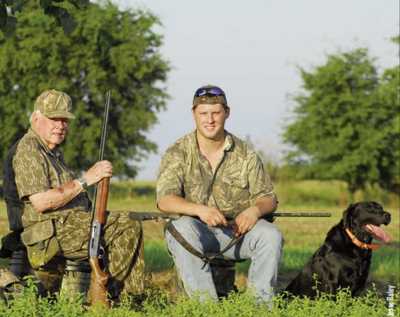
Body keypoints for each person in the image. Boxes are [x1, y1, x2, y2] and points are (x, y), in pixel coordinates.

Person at [2, 89, 144, 300]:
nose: (60, 125)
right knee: (126, 225)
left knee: (125, 221)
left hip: (65, 225)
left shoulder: (52, 152)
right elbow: (41, 201)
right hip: (48, 230)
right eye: (54, 119)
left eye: (64, 120)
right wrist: (86, 179)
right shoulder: (28, 150)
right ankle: (123, 303)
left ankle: (116, 298)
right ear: (35, 119)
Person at [156, 84, 284, 304]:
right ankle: (208, 311)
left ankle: (260, 311)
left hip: (235, 234)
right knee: (181, 227)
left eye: (216, 113)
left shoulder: (245, 154)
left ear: (227, 113)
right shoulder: (177, 152)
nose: (210, 120)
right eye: (203, 114)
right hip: (195, 234)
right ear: (193, 114)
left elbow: (268, 198)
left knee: (271, 235)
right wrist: (199, 210)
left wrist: (255, 210)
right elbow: (165, 200)